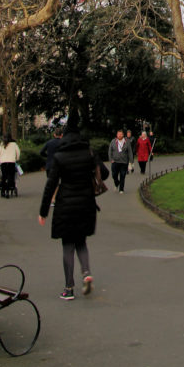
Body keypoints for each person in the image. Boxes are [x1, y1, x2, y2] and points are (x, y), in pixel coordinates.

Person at [38, 117, 108, 299]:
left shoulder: (60, 157)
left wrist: (43, 211)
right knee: (81, 242)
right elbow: (105, 173)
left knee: (68, 245)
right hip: (86, 203)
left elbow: (51, 184)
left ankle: (68, 288)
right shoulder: (89, 152)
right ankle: (86, 272)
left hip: (65, 204)